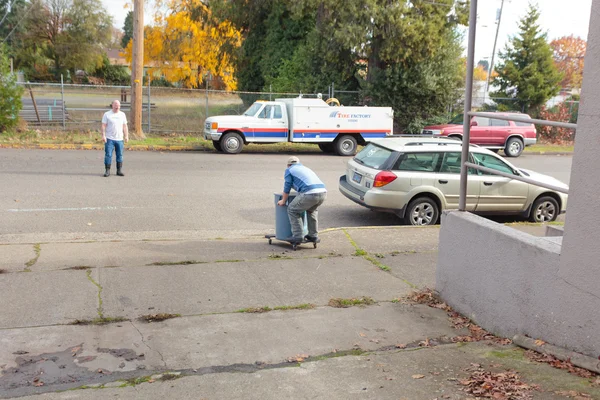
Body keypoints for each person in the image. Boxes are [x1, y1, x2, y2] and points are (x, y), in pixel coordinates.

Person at [277, 156, 327, 243]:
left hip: (310, 193)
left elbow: (287, 186)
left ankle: (298, 236)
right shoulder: (305, 168)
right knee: (312, 211)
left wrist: (283, 201)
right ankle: (313, 236)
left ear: (288, 165)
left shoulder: (289, 170)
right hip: (323, 192)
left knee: (292, 210)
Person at [101, 100, 129, 177]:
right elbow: (103, 125)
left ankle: (119, 170)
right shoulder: (107, 114)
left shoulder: (122, 115)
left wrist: (126, 136)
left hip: (119, 139)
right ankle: (107, 170)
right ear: (112, 105)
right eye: (116, 105)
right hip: (109, 138)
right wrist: (103, 135)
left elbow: (125, 126)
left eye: (118, 105)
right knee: (108, 154)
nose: (117, 106)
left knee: (119, 155)